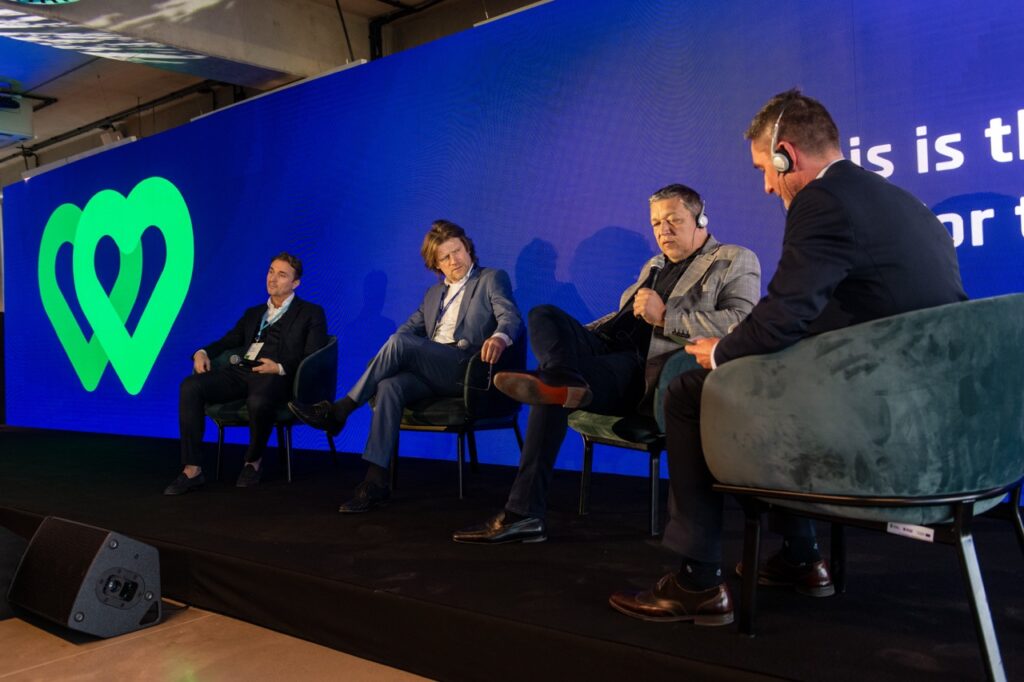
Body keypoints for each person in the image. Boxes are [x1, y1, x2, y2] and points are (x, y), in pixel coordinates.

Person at [609, 89, 967, 626]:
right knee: (760, 382)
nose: (766, 186)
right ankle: (801, 557)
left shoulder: (821, 201)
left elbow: (786, 313)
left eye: (764, 170)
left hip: (877, 422)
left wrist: (723, 350)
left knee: (689, 392)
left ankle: (698, 582)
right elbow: (839, 311)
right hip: (935, 420)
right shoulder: (903, 203)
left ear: (786, 155)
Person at [452, 184, 761, 544]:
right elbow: (618, 319)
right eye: (656, 223)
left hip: (642, 372)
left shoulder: (733, 258)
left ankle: (523, 514)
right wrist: (572, 337)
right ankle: (562, 378)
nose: (663, 231)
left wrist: (667, 316)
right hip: (605, 351)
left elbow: (743, 323)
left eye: (673, 220)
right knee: (543, 314)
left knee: (551, 391)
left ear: (700, 218)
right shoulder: (654, 265)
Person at [288, 220, 522, 512]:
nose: (454, 260)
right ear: (436, 265)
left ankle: (341, 410)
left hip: (466, 368)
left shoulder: (490, 278)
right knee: (390, 385)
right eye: (445, 257)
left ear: (468, 248)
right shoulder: (433, 295)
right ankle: (375, 482)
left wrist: (500, 337)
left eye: (458, 251)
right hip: (433, 369)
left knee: (399, 344)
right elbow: (406, 331)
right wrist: (387, 362)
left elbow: (510, 316)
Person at [164, 252, 328, 495]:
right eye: (271, 271)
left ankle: (253, 462)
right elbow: (229, 340)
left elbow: (313, 355)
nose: (272, 278)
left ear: (295, 283)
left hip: (278, 376)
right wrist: (201, 352)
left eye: (282, 275)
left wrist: (279, 367)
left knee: (259, 400)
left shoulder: (311, 313)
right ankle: (192, 469)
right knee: (190, 386)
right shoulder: (254, 313)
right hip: (243, 371)